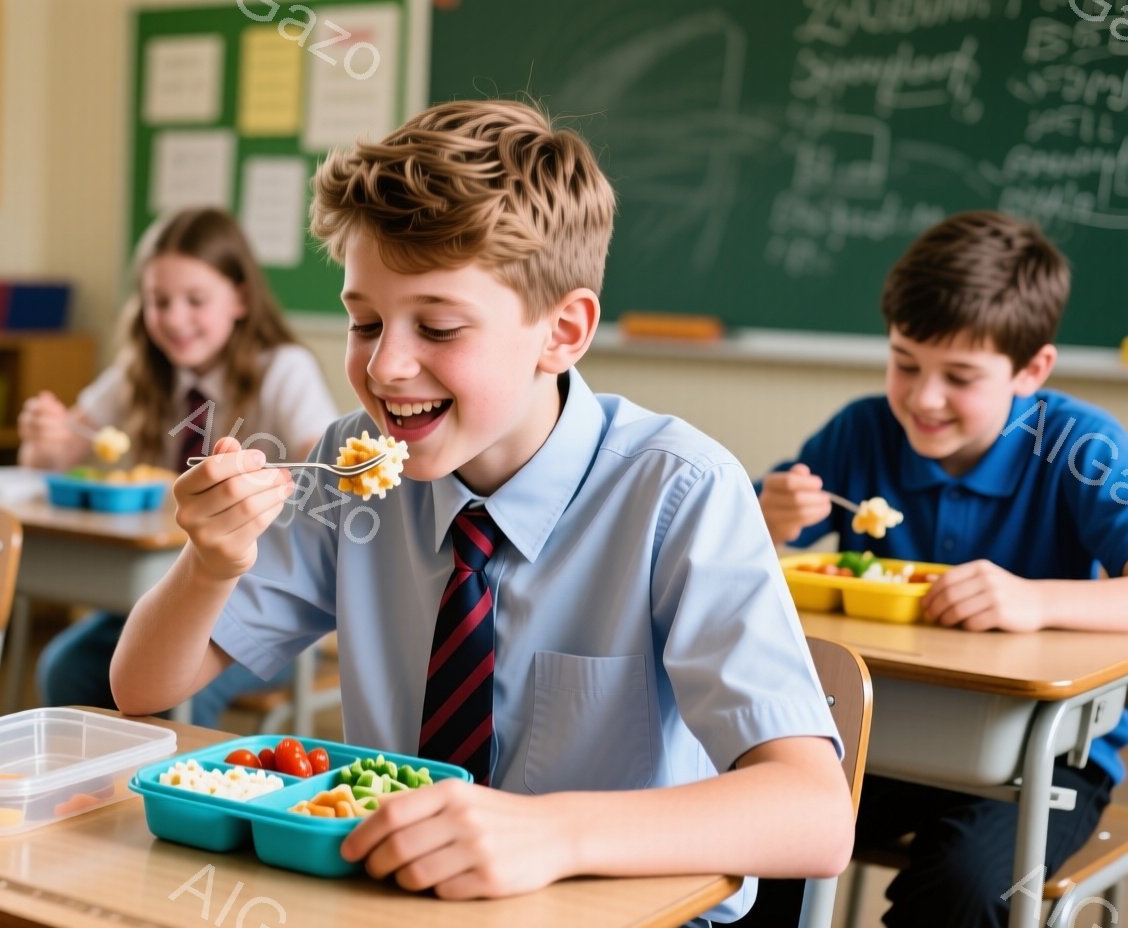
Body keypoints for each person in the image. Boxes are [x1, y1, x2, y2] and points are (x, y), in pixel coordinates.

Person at [109, 100, 852, 921]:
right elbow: (143, 685)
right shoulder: (351, 469)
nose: (388, 365)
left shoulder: (679, 493)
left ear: (561, 332)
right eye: (365, 322)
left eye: (438, 326)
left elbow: (815, 816)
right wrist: (209, 565)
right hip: (398, 901)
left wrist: (552, 834)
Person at [747, 210, 1128, 927]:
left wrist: (1036, 601)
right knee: (764, 838)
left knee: (966, 888)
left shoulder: (1083, 448)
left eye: (960, 376)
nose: (923, 398)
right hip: (879, 737)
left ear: (1031, 370)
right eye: (905, 362)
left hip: (1041, 763)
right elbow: (735, 557)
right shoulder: (863, 431)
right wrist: (768, 519)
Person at [19, 206, 336, 727]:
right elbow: (51, 458)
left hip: (256, 600)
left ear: (239, 298)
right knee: (66, 670)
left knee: (175, 698)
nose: (175, 318)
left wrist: (275, 481)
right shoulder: (141, 373)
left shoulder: (282, 370)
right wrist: (44, 436)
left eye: (196, 300)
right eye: (158, 301)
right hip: (162, 591)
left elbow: (321, 471)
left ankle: (176, 795)